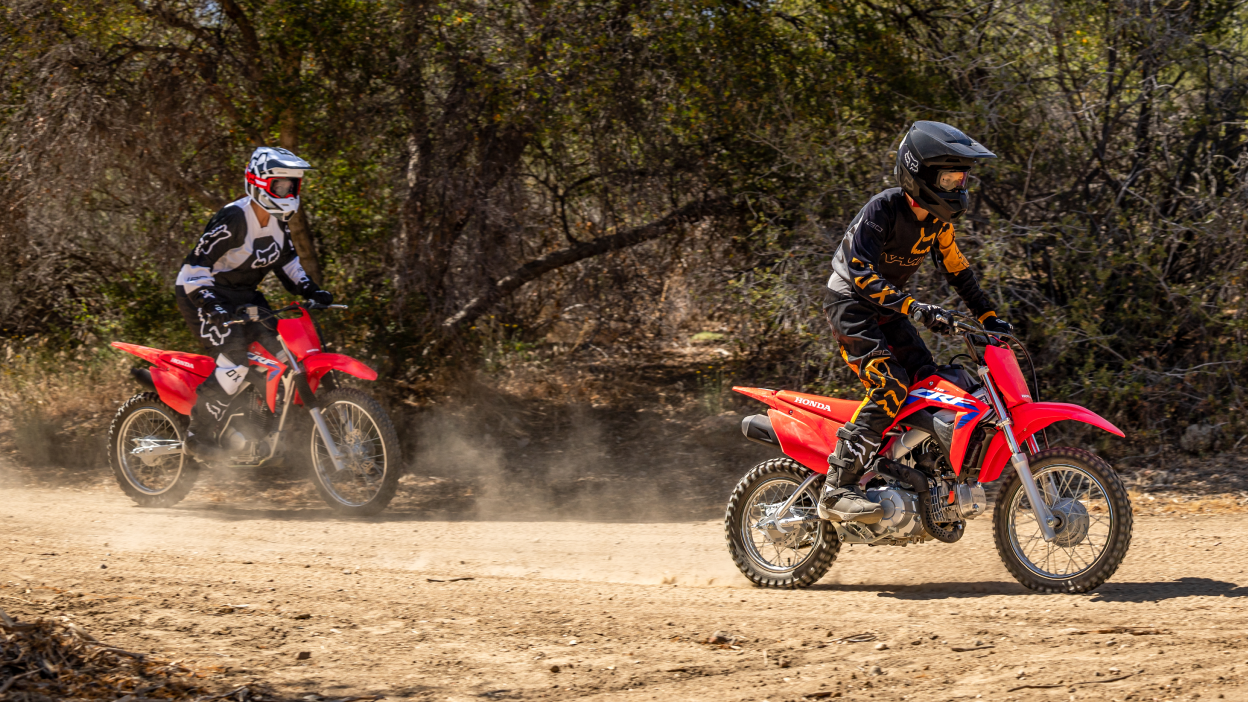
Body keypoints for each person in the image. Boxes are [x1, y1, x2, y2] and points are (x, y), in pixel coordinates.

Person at [819, 121, 1012, 523]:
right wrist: (915, 308)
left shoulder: (938, 223)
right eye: (950, 177)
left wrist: (991, 319)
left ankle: (907, 471)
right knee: (889, 384)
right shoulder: (883, 209)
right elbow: (860, 273)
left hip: (887, 309)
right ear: (921, 173)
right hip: (850, 305)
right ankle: (837, 488)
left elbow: (960, 273)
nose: (959, 186)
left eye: (962, 178)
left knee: (931, 381)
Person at [174, 146, 335, 460]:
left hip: (245, 296)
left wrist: (311, 289)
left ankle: (253, 424)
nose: (288, 191)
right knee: (235, 356)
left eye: (292, 185)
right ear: (260, 183)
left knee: (282, 352)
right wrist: (211, 306)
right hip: (203, 294)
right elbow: (193, 269)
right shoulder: (234, 218)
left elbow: (289, 265)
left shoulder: (278, 222)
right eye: (281, 185)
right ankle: (199, 432)